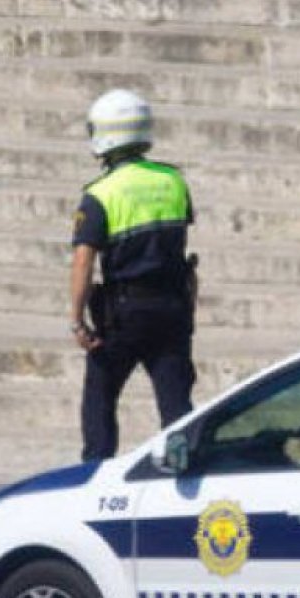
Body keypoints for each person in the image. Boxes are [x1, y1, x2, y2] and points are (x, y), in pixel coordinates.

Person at [69, 89, 197, 461]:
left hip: (124, 313)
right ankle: (181, 471)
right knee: (175, 402)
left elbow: (83, 261)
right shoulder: (173, 180)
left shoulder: (100, 194)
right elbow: (181, 247)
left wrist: (77, 321)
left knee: (101, 396)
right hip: (173, 305)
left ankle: (96, 470)